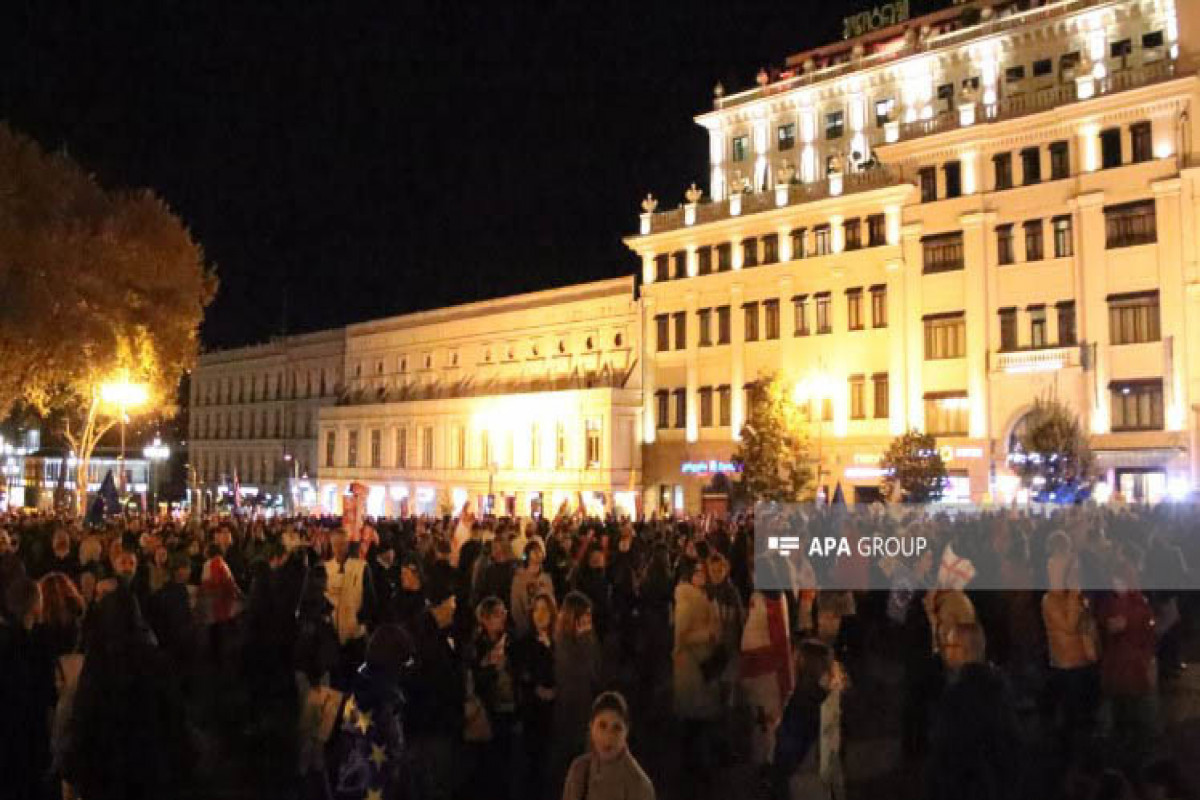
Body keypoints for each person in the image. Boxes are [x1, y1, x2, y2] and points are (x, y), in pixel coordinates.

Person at [65, 584, 192, 800]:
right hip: (150, 766)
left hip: (106, 772)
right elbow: (173, 713)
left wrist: (75, 766)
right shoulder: (155, 660)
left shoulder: (98, 663)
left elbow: (84, 717)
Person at [330, 624, 412, 800]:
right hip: (378, 785)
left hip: (350, 781)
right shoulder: (389, 699)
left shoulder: (358, 686)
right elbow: (395, 749)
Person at [405, 575, 464, 800]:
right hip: (431, 725)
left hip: (434, 723)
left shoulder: (438, 630)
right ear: (441, 604)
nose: (455, 607)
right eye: (453, 601)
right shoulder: (424, 638)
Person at [770, 640, 848, 800]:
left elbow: (786, 753)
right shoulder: (818, 702)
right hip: (811, 779)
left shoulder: (804, 702)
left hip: (805, 778)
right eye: (828, 665)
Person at [0, 574, 55, 800]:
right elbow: (45, 693)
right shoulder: (38, 644)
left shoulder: (6, 640)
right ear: (35, 605)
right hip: (31, 736)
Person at [561, 691, 655, 800]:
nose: (608, 736)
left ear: (626, 731)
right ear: (591, 727)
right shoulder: (579, 770)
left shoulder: (638, 784)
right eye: (602, 725)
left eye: (617, 728)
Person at [551, 591, 602, 790]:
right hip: (571, 704)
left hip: (585, 699)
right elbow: (581, 670)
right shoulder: (564, 641)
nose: (588, 620)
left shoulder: (588, 636)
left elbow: (597, 665)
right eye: (585, 615)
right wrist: (585, 641)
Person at [516, 592, 558, 800]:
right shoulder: (526, 642)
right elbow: (523, 672)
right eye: (536, 610)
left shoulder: (559, 640)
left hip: (557, 709)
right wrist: (536, 689)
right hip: (534, 710)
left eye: (545, 610)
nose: (540, 614)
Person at [511, 539, 555, 638]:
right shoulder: (519, 579)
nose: (538, 554)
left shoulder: (546, 578)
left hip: (545, 629)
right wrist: (524, 627)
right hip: (526, 630)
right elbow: (516, 607)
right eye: (534, 550)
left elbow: (551, 602)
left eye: (540, 551)